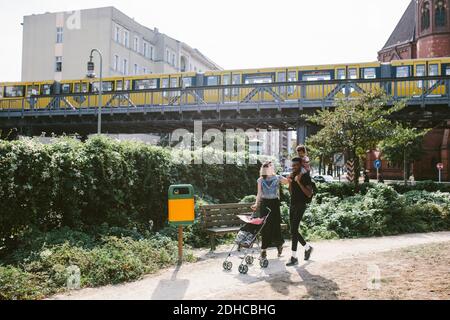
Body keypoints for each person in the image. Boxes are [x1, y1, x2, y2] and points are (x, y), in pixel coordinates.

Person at [252, 161, 289, 259]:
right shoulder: (260, 180)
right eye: (270, 167)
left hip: (275, 203)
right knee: (265, 226)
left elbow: (287, 182)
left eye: (271, 167)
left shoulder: (277, 177)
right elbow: (259, 193)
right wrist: (256, 203)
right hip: (265, 204)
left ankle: (279, 246)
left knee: (275, 226)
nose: (272, 168)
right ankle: (263, 250)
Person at [286, 157, 314, 267]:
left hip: (301, 205)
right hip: (292, 204)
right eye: (292, 166)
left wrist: (299, 182)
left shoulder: (306, 177)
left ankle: (294, 257)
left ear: (300, 165)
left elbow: (309, 193)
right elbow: (291, 192)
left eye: (296, 165)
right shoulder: (292, 175)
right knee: (292, 230)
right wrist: (290, 182)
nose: (294, 167)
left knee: (294, 229)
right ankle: (307, 247)